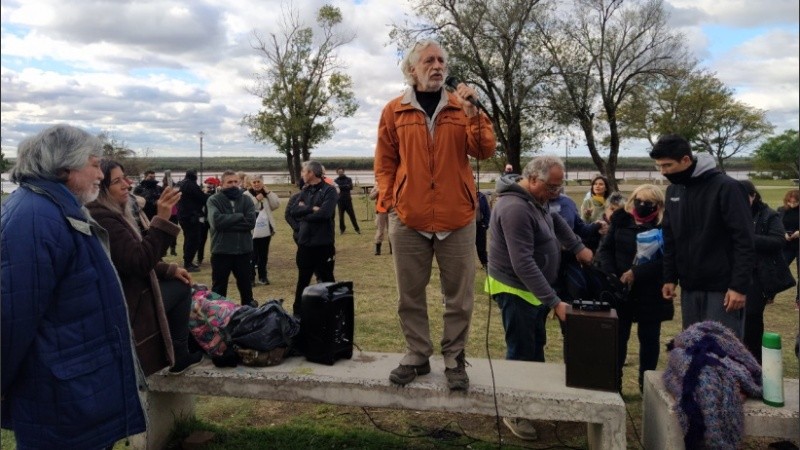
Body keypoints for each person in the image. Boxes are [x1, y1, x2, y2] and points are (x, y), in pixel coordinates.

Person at [1, 124, 145, 448]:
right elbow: (11, 319)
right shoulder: (34, 220)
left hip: (78, 393)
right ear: (65, 167)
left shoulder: (58, 209)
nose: (101, 174)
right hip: (60, 403)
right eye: (94, 164)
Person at [374, 39, 496, 391]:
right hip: (408, 217)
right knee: (409, 295)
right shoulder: (393, 110)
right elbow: (384, 163)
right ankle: (417, 354)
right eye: (429, 60)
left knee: (459, 296)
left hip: (457, 217)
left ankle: (455, 358)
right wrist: (390, 202)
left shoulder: (463, 107)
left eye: (442, 60)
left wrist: (475, 116)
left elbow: (484, 149)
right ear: (412, 69)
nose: (437, 65)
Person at [486, 156, 592, 440]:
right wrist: (555, 302)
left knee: (536, 346)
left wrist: (578, 246)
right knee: (521, 349)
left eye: (559, 187)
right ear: (533, 179)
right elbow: (522, 263)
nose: (556, 194)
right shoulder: (513, 208)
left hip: (535, 290)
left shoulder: (537, 198)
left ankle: (533, 400)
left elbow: (554, 219)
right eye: (552, 187)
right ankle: (514, 411)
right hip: (515, 289)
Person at [87, 159, 204, 375]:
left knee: (177, 280)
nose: (126, 185)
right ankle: (179, 355)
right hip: (126, 304)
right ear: (101, 188)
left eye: (124, 178)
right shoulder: (103, 217)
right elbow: (139, 261)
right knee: (180, 289)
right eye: (116, 181)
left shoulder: (106, 212)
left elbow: (129, 256)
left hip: (123, 296)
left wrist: (168, 269)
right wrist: (161, 220)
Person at [649, 134, 754, 338]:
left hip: (723, 289)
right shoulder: (673, 191)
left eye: (668, 165)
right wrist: (669, 278)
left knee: (722, 351)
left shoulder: (727, 187)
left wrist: (739, 287)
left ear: (686, 160)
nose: (663, 172)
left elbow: (744, 240)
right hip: (690, 287)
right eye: (659, 166)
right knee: (694, 347)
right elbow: (670, 239)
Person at [596, 184, 673, 392]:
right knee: (619, 338)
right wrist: (612, 274)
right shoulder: (621, 220)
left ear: (658, 205)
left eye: (648, 203)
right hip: (620, 291)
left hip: (651, 292)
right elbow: (605, 249)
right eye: (638, 200)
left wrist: (636, 273)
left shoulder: (665, 226)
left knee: (649, 340)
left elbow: (668, 260)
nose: (642, 205)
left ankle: (646, 387)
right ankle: (615, 385)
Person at [737, 180, 787, 363]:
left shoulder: (768, 215)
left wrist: (747, 237)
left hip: (758, 275)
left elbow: (778, 241)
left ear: (754, 196)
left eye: (744, 198)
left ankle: (754, 362)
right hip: (733, 272)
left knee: (751, 318)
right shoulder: (730, 213)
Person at [286, 160, 338, 316]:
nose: (302, 174)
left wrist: (304, 215)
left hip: (323, 243)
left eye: (303, 171)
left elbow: (325, 213)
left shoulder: (329, 191)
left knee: (327, 279)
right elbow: (293, 211)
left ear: (311, 173)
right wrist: (311, 209)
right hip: (305, 244)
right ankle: (298, 313)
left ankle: (332, 312)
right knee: (303, 279)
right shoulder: (305, 190)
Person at [207, 170, 258, 307]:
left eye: (236, 181)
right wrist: (239, 216)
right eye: (229, 182)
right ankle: (217, 320)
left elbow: (251, 222)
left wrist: (228, 222)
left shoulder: (246, 199)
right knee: (218, 289)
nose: (233, 184)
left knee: (246, 288)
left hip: (244, 251)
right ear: (222, 184)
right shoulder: (214, 200)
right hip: (221, 251)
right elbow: (216, 222)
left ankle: (249, 318)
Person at [246, 176, 280, 285]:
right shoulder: (246, 195)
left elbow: (275, 205)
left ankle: (263, 276)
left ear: (262, 182)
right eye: (254, 182)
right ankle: (250, 278)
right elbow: (245, 208)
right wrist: (256, 199)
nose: (256, 184)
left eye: (258, 182)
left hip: (265, 228)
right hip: (251, 230)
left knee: (263, 254)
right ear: (251, 183)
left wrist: (268, 193)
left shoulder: (266, 194)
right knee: (252, 254)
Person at [177, 169, 208, 272]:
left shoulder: (182, 184)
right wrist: (209, 196)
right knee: (193, 239)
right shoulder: (191, 185)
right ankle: (188, 262)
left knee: (188, 239)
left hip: (183, 215)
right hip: (191, 216)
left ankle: (188, 260)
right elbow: (202, 198)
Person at [778, 189, 799, 308]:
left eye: (795, 202)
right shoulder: (781, 210)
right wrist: (784, 233)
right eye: (789, 202)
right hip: (787, 245)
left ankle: (798, 300)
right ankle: (770, 295)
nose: (792, 205)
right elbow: (777, 226)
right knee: (779, 268)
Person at [197, 176, 220, 265]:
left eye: (211, 184)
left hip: (213, 219)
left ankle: (215, 257)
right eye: (208, 183)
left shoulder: (217, 194)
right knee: (202, 239)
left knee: (215, 238)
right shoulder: (202, 193)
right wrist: (204, 193)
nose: (209, 185)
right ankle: (200, 258)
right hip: (203, 220)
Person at [334, 168, 361, 234]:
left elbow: (351, 187)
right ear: (337, 173)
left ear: (343, 171)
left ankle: (357, 229)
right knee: (341, 217)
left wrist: (340, 186)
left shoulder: (348, 179)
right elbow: (336, 188)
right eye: (339, 172)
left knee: (352, 215)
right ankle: (342, 230)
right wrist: (345, 186)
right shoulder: (336, 180)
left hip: (348, 200)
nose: (340, 173)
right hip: (340, 200)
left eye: (341, 171)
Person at [369, 185, 390, 255]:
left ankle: (392, 249)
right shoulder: (377, 186)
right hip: (380, 211)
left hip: (391, 211)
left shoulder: (393, 183)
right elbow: (371, 197)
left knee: (392, 231)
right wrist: (377, 191)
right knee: (380, 230)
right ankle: (378, 250)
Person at [163, 170, 179, 256]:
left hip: (174, 212)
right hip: (167, 212)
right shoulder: (163, 188)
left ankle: (173, 249)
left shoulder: (173, 186)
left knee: (173, 231)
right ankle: (164, 249)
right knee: (165, 232)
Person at [475, 189, 491, 269]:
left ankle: (485, 264)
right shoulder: (465, 196)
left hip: (480, 225)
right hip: (469, 226)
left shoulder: (482, 197)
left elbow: (487, 211)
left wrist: (485, 224)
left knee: (481, 247)